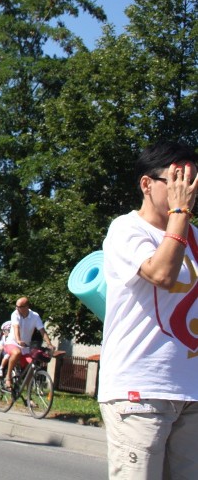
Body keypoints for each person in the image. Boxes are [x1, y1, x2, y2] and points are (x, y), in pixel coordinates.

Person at [100, 140, 198, 479]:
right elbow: (161, 274)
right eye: (177, 181)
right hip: (139, 392)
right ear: (147, 184)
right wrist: (179, 214)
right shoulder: (126, 229)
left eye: (193, 182)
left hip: (192, 393)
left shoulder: (195, 236)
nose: (186, 191)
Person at [3, 297, 54, 389]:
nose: (17, 308)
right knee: (16, 352)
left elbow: (42, 330)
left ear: (27, 307)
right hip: (12, 343)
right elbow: (16, 327)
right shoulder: (15, 314)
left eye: (20, 307)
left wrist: (49, 344)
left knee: (32, 365)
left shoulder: (35, 316)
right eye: (16, 306)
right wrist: (18, 340)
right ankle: (8, 377)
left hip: (25, 347)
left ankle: (28, 396)